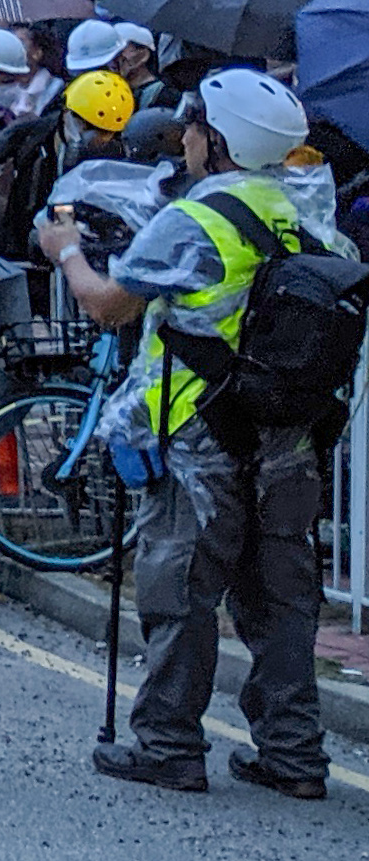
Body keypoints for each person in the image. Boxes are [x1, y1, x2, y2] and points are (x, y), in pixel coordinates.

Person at [35, 70, 340, 800]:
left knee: (179, 591)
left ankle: (169, 744)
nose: (188, 138)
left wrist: (66, 249)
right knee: (280, 598)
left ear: (219, 140)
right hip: (290, 436)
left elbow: (108, 305)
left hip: (199, 432)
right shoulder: (308, 216)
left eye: (196, 127)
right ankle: (293, 756)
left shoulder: (199, 219)